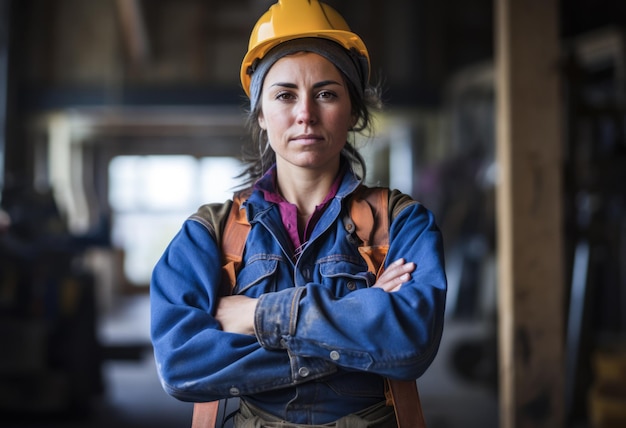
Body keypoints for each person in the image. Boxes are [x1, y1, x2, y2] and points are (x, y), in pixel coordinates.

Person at [150, 0, 447, 426]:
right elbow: (181, 364)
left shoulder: (402, 223)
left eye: (326, 93)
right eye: (285, 95)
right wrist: (356, 328)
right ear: (261, 114)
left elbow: (411, 342)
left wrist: (255, 316)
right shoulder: (209, 235)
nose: (305, 114)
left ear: (353, 111)